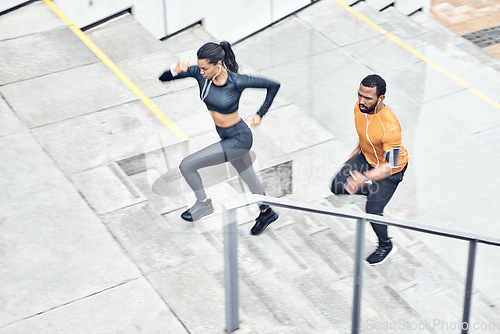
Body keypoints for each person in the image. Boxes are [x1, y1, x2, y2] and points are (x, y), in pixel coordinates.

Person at [158, 41, 280, 235]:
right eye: (199, 67)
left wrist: (260, 113)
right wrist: (174, 69)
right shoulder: (200, 73)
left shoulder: (237, 81)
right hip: (226, 135)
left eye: (205, 68)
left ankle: (204, 204)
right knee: (249, 177)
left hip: (239, 139)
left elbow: (273, 86)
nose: (201, 72)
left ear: (219, 64)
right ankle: (266, 212)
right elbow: (163, 78)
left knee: (187, 165)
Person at [330, 74, 408, 265]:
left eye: (367, 98)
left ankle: (385, 245)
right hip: (367, 157)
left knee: (372, 211)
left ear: (380, 98)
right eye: (359, 95)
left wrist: (363, 178)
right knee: (337, 185)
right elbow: (364, 134)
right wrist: (353, 154)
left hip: (391, 170)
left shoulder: (390, 126)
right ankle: (374, 193)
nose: (361, 101)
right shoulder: (359, 108)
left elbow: (391, 165)